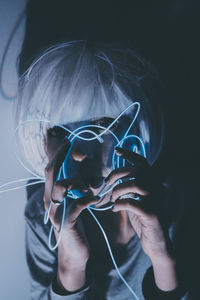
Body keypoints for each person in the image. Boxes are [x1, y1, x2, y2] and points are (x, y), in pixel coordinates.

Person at [15, 40, 189, 300]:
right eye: (60, 131)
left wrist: (162, 255)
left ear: (133, 128)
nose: (79, 152)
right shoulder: (41, 216)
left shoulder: (170, 200)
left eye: (99, 126)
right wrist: (70, 264)